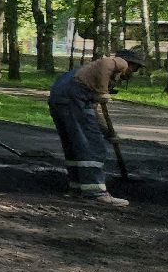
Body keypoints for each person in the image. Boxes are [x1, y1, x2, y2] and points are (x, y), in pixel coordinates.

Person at [48, 49, 145, 207]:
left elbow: (93, 110)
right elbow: (107, 62)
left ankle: (78, 188)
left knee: (75, 145)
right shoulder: (120, 63)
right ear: (131, 64)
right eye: (136, 68)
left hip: (60, 97)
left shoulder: (87, 73)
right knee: (93, 145)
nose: (133, 72)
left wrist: (108, 131)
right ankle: (95, 192)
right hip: (74, 97)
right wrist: (103, 92)